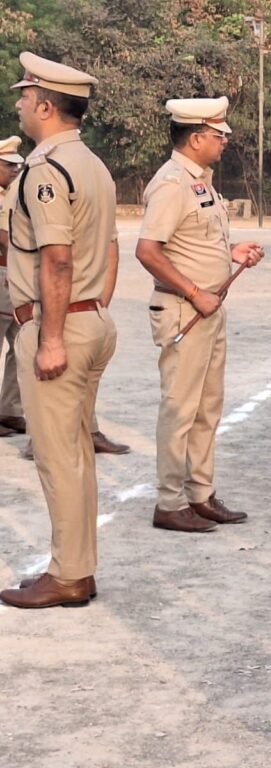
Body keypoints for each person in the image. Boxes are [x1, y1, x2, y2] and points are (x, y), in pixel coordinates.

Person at [0, 53, 117, 608]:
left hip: (58, 326)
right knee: (77, 454)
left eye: (26, 97)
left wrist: (49, 338)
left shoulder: (46, 169)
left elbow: (57, 258)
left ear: (46, 106)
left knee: (57, 457)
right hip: (88, 319)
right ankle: (77, 568)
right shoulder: (92, 164)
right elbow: (107, 249)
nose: (20, 106)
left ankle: (69, 574)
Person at [135, 97, 264, 533]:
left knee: (207, 407)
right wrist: (194, 291)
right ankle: (170, 502)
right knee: (180, 408)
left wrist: (233, 252)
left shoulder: (201, 182)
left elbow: (193, 241)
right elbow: (148, 251)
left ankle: (200, 493)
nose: (224, 141)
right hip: (184, 310)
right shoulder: (172, 183)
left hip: (208, 308)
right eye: (217, 135)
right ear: (195, 139)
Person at [0, 135, 25, 439]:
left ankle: (10, 410)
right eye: (8, 165)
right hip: (3, 272)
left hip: (12, 274)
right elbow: (5, 239)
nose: (15, 170)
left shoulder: (11, 195)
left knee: (19, 345)